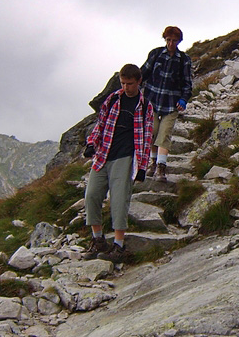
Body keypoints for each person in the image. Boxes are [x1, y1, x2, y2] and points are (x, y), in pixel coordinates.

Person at [81, 63, 154, 263]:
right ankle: (98, 240)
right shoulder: (113, 99)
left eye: (129, 83)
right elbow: (101, 123)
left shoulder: (145, 106)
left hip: (125, 157)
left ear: (139, 82)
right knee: (92, 195)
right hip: (103, 154)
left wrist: (141, 167)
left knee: (119, 199)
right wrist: (91, 144)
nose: (126, 87)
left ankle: (119, 246)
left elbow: (146, 137)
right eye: (123, 83)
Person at [141, 26, 193, 182]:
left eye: (174, 41)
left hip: (171, 104)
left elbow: (187, 83)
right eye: (168, 40)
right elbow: (144, 72)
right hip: (152, 101)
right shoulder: (156, 54)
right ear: (165, 39)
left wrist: (184, 99)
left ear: (179, 41)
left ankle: (161, 167)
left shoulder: (184, 60)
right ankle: (153, 162)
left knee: (164, 134)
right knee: (151, 132)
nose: (171, 43)